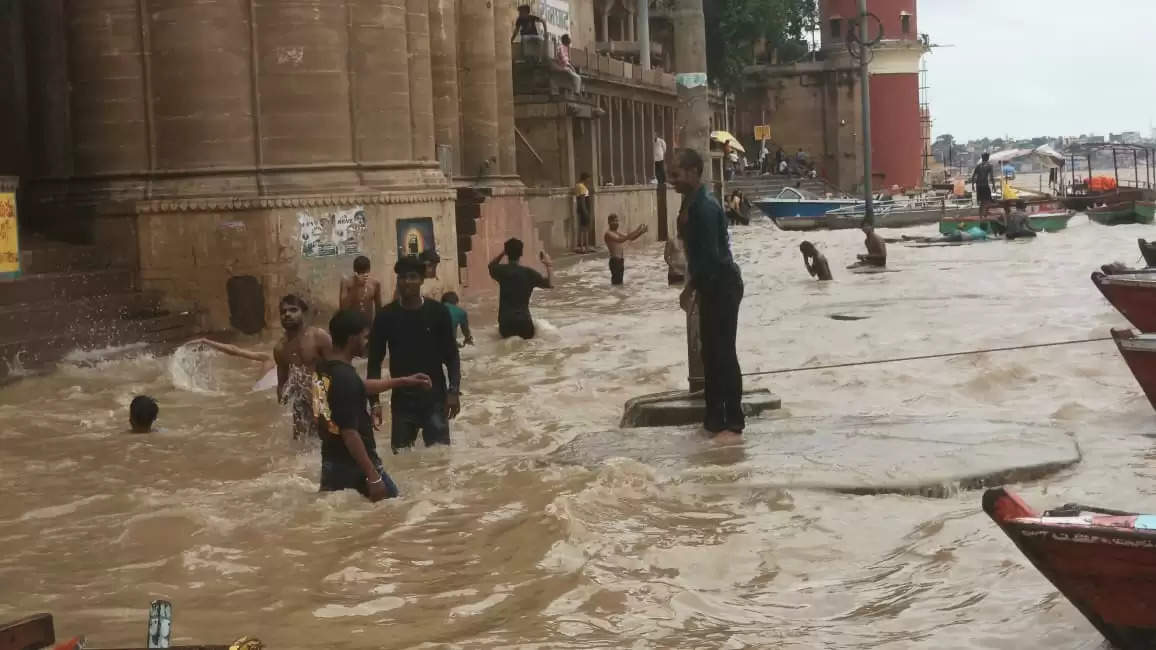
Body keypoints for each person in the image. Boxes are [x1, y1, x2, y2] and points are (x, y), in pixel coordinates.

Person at [315, 309, 432, 501]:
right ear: (353, 339)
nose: (368, 342)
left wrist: (403, 381)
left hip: (331, 462)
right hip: (357, 467)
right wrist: (373, 476)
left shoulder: (324, 369)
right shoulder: (345, 378)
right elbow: (350, 433)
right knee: (397, 514)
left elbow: (357, 388)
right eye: (365, 336)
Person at [670, 148, 745, 443]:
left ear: (693, 172)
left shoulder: (706, 206)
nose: (671, 180)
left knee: (723, 353)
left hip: (722, 283)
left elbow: (713, 258)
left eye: (675, 174)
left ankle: (733, 422)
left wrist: (692, 288)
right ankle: (714, 419)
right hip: (709, 283)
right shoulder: (690, 203)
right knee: (709, 353)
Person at [367, 257, 462, 453]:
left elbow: (452, 355)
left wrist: (453, 392)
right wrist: (374, 403)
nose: (407, 282)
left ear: (421, 280)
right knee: (401, 460)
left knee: (439, 457)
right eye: (402, 277)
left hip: (434, 397)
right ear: (397, 280)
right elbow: (374, 361)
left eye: (412, 277)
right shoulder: (386, 316)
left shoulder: (438, 312)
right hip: (402, 401)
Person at [273, 294, 334, 440]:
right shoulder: (280, 348)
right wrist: (283, 407)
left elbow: (339, 368)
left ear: (303, 313)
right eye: (283, 312)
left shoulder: (319, 336)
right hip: (300, 406)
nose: (287, 314)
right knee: (302, 449)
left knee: (331, 442)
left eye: (293, 310)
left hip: (325, 400)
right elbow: (282, 382)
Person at [488, 238, 553, 339]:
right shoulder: (529, 273)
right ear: (521, 253)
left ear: (507, 253)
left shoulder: (501, 271)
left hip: (506, 322)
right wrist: (548, 265)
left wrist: (503, 253)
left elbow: (491, 266)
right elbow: (550, 284)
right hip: (524, 322)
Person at [603, 214, 648, 286]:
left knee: (619, 284)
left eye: (617, 221)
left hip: (620, 261)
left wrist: (641, 232)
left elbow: (631, 238)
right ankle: (614, 296)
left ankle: (615, 296)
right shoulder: (608, 234)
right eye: (614, 221)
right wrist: (637, 230)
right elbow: (620, 240)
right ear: (609, 222)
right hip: (615, 261)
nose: (616, 223)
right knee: (616, 283)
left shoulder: (617, 232)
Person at [339, 256, 382, 323]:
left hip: (368, 325)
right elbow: (343, 308)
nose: (364, 275)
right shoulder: (346, 283)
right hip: (351, 325)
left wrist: (378, 324)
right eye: (360, 272)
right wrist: (356, 286)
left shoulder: (375, 284)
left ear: (369, 270)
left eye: (365, 272)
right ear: (355, 271)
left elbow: (378, 308)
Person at [574, 172, 594, 253]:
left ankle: (585, 246)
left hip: (584, 209)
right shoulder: (582, 187)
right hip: (584, 210)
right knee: (584, 228)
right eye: (588, 178)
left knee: (584, 228)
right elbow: (582, 200)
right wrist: (585, 211)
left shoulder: (579, 186)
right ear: (585, 178)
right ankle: (583, 247)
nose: (589, 180)